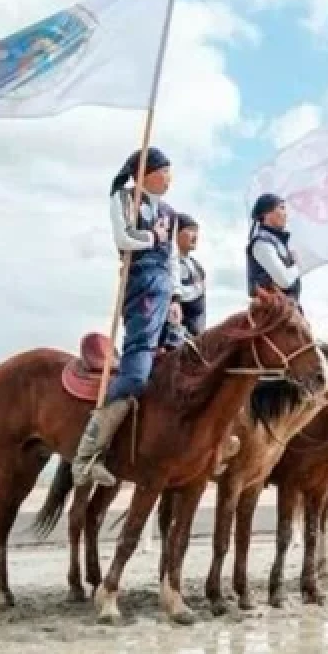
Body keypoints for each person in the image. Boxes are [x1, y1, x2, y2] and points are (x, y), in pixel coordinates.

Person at [72, 147, 180, 488]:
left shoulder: (170, 212)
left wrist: (176, 295)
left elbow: (173, 256)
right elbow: (123, 238)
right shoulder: (124, 198)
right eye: (165, 170)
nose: (170, 177)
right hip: (142, 282)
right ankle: (88, 454)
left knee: (183, 360)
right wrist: (153, 237)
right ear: (147, 172)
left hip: (164, 286)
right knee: (136, 373)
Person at [162, 213, 208, 350]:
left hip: (196, 333)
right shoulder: (167, 263)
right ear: (175, 234)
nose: (195, 236)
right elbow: (174, 291)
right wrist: (198, 288)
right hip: (175, 333)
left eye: (197, 231)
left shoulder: (197, 266)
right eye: (190, 230)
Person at [245, 192, 300, 301]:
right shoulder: (261, 243)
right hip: (271, 312)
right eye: (281, 208)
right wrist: (296, 264)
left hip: (285, 308)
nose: (286, 214)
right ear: (267, 213)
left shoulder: (277, 243)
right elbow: (284, 281)